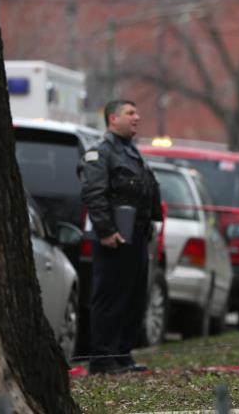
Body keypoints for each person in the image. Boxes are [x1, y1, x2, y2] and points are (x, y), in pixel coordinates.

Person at [80, 99, 162, 375]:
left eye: (137, 112)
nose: (136, 117)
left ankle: (122, 355)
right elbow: (94, 194)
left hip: (136, 236)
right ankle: (102, 358)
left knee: (134, 298)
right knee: (110, 298)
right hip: (114, 237)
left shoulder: (132, 152)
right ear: (113, 119)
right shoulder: (101, 152)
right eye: (130, 113)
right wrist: (105, 231)